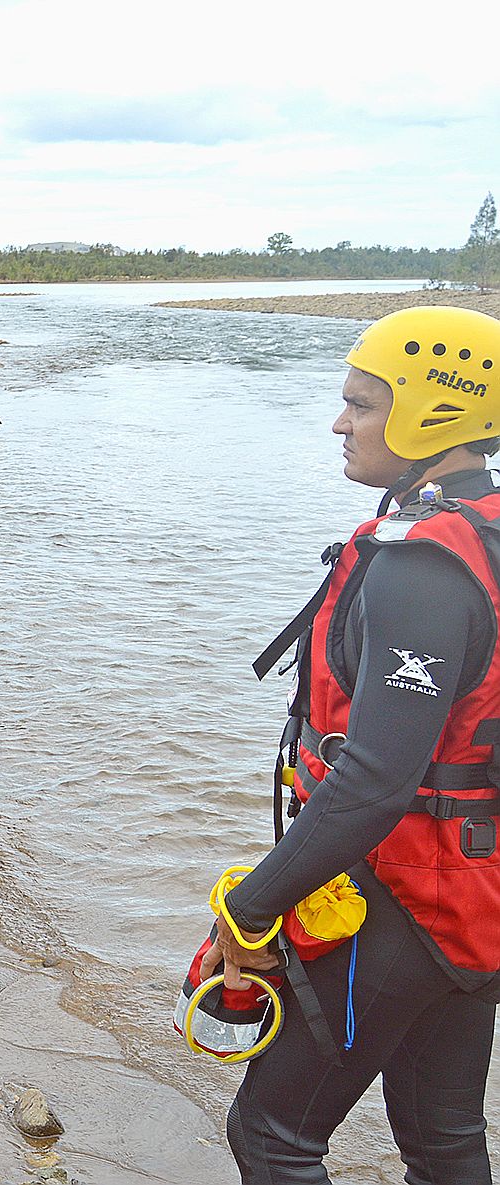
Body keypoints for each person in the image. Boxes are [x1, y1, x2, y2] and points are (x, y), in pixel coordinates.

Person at [204, 306, 500, 1183]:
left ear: (432, 414)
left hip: (409, 897)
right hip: (475, 893)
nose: (340, 423)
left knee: (273, 1136)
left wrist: (251, 907)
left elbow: (374, 779)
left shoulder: (421, 563)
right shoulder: (484, 526)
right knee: (444, 1140)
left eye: (362, 404)